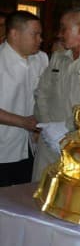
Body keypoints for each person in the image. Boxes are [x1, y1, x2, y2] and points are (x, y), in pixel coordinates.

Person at [32, 7, 80, 182]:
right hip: (48, 144)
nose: (60, 34)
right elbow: (41, 92)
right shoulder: (58, 58)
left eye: (64, 28)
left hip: (78, 143)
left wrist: (66, 128)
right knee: (38, 191)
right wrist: (48, 126)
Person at [0, 11, 48, 186]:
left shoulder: (42, 59)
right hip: (4, 146)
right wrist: (22, 122)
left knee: (25, 196)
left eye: (40, 34)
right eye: (35, 34)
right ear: (14, 34)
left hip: (32, 146)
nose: (40, 39)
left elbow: (45, 97)